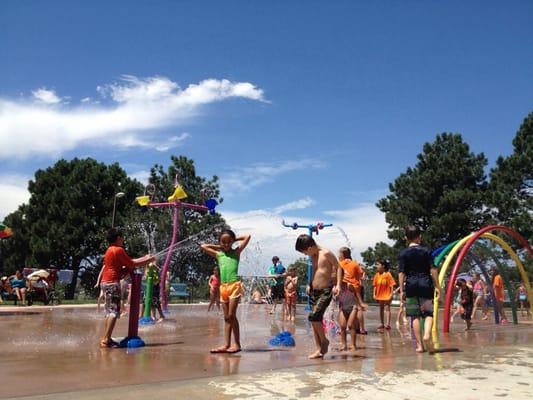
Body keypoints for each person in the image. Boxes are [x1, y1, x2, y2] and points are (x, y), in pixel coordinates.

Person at [99, 228, 155, 348]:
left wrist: (144, 258)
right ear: (118, 237)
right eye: (122, 237)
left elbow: (129, 264)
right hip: (112, 283)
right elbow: (132, 264)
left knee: (110, 312)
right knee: (114, 312)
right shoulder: (118, 250)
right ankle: (106, 340)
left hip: (105, 282)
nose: (123, 239)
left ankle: (105, 337)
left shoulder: (109, 250)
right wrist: (149, 260)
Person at [201, 229, 251, 354]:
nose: (226, 244)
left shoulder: (236, 252)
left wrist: (234, 240)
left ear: (232, 242)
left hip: (234, 286)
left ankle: (237, 344)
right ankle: (226, 344)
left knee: (231, 315)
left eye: (229, 242)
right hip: (223, 288)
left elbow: (247, 236)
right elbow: (204, 246)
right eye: (223, 242)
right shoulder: (219, 254)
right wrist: (219, 246)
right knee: (226, 318)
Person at [295, 234, 342, 359]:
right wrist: (310, 284)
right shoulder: (313, 256)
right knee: (315, 321)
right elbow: (317, 271)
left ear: (310, 247)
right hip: (314, 291)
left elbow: (338, 267)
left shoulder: (326, 253)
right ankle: (319, 350)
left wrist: (338, 285)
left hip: (325, 291)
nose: (305, 255)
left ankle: (325, 342)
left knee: (314, 317)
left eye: (305, 252)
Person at [398, 225, 440, 354]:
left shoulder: (403, 253)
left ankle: (420, 346)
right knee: (428, 313)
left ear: (406, 238)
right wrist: (437, 286)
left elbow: (401, 273)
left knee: (414, 316)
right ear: (419, 237)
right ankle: (427, 334)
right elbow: (433, 269)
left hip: (411, 285)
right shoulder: (426, 251)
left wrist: (401, 290)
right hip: (425, 284)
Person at [338, 247, 367, 334]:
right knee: (358, 308)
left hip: (344, 288)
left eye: (339, 254)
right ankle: (361, 328)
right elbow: (362, 275)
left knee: (342, 307)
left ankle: (342, 327)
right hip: (356, 288)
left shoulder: (340, 264)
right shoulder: (355, 264)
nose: (338, 255)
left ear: (343, 254)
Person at [373, 260, 396, 332]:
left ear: (383, 266)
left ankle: (388, 324)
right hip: (379, 295)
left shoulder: (388, 274)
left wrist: (391, 294)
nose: (377, 266)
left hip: (387, 295)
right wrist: (374, 294)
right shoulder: (377, 275)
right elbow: (375, 286)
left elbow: (392, 285)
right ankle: (382, 323)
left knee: (387, 308)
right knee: (381, 309)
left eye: (378, 264)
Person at [337, 278, 358, 351]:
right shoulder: (335, 287)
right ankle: (344, 345)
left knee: (350, 325)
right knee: (342, 326)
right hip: (343, 308)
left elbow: (357, 294)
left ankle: (353, 345)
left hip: (353, 307)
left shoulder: (349, 285)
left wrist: (360, 304)